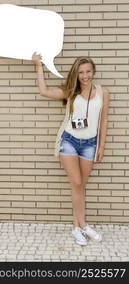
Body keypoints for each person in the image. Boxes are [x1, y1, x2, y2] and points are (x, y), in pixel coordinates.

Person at [32, 52, 109, 246]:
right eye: (81, 72)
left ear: (93, 71)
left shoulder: (102, 92)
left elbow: (104, 120)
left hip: (90, 144)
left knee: (80, 185)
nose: (85, 76)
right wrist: (38, 66)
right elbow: (44, 91)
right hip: (69, 142)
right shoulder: (70, 91)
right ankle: (83, 224)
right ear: (76, 74)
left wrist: (101, 146)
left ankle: (76, 227)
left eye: (88, 71)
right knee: (76, 182)